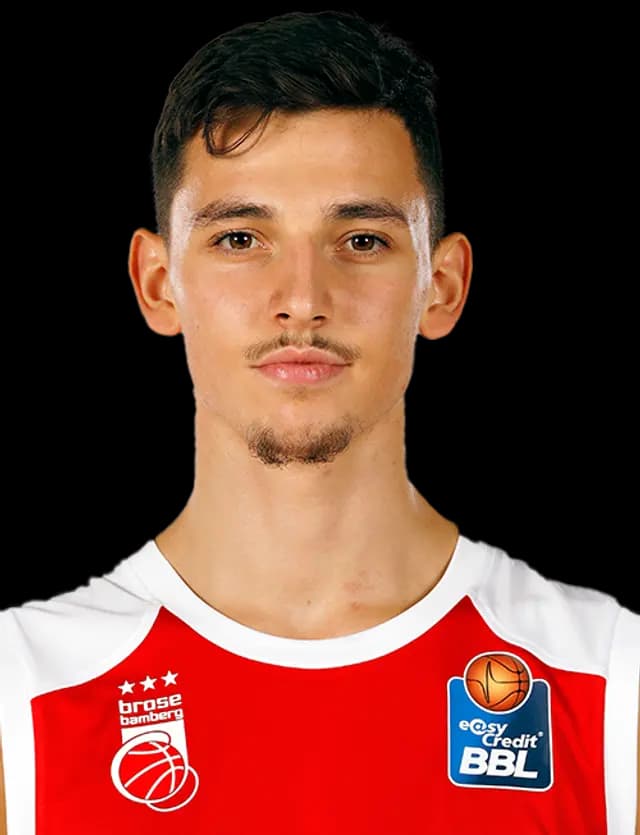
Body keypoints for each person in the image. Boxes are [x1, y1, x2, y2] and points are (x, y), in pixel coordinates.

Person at [0, 8, 638, 834]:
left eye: (362, 240)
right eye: (240, 238)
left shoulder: (606, 679)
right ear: (158, 284)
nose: (302, 298)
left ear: (441, 287)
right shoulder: (25, 692)